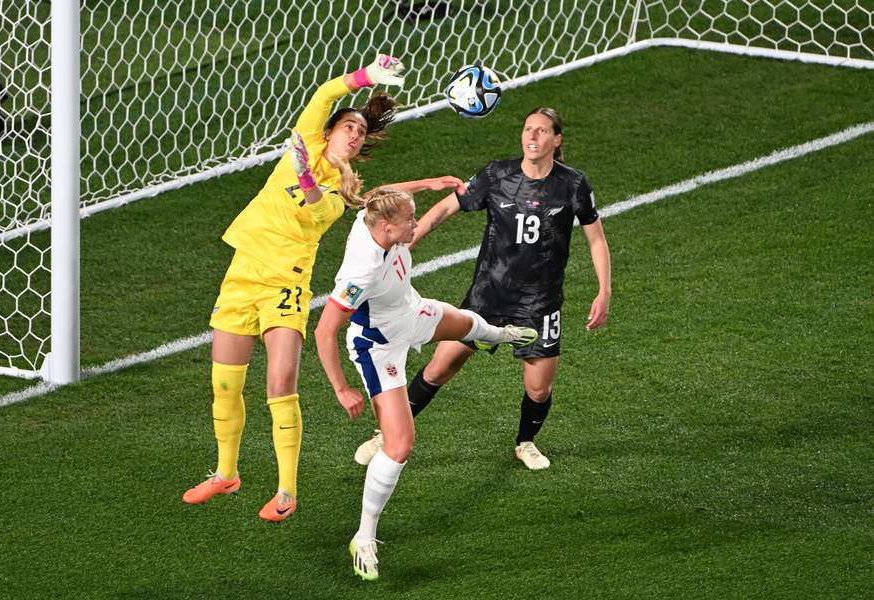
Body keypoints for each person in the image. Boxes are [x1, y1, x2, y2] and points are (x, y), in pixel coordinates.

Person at [181, 54, 452, 522]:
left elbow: (316, 206)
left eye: (361, 132)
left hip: (285, 285)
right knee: (224, 382)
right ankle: (226, 472)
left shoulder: (342, 191)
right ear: (328, 133)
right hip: (242, 273)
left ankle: (286, 491)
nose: (354, 133)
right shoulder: (307, 138)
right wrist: (364, 78)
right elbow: (327, 93)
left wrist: (306, 174)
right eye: (348, 126)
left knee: (279, 382)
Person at [354, 107, 612, 471]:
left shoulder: (572, 185)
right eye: (527, 129)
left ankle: (525, 442)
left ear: (557, 140)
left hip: (540, 303)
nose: (532, 137)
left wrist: (604, 291)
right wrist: (409, 241)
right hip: (487, 295)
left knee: (539, 389)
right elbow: (446, 207)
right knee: (438, 369)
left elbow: (596, 239)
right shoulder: (497, 175)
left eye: (541, 131)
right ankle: (385, 434)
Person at [315, 188, 538, 580]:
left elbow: (385, 194)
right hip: (378, 348)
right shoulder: (361, 270)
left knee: (469, 323)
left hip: (411, 311)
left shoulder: (376, 214)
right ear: (387, 227)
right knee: (400, 445)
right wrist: (341, 388)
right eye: (409, 220)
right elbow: (324, 330)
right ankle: (364, 537)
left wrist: (431, 182)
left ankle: (500, 336)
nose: (416, 225)